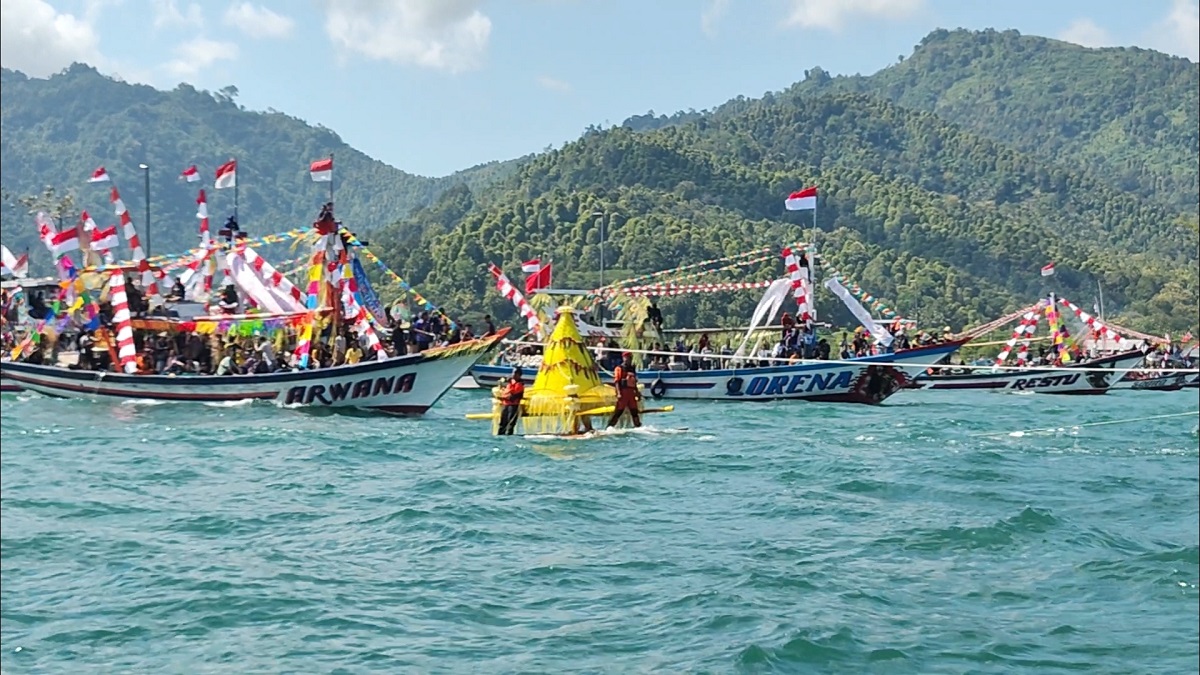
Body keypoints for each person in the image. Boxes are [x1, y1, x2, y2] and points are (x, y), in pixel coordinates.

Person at [607, 352, 642, 429]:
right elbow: (617, 381)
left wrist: (637, 393)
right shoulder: (619, 368)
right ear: (623, 358)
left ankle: (638, 426)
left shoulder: (632, 368)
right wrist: (619, 393)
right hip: (623, 392)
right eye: (627, 357)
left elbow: (634, 382)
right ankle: (609, 427)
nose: (628, 359)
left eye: (630, 358)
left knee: (634, 411)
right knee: (619, 412)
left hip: (631, 393)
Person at [497, 367, 525, 435]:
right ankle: (500, 435)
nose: (513, 374)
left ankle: (508, 436)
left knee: (510, 424)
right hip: (505, 405)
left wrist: (501, 397)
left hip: (513, 406)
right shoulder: (511, 382)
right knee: (502, 423)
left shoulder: (519, 385)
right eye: (513, 373)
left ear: (519, 375)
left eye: (515, 373)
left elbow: (512, 397)